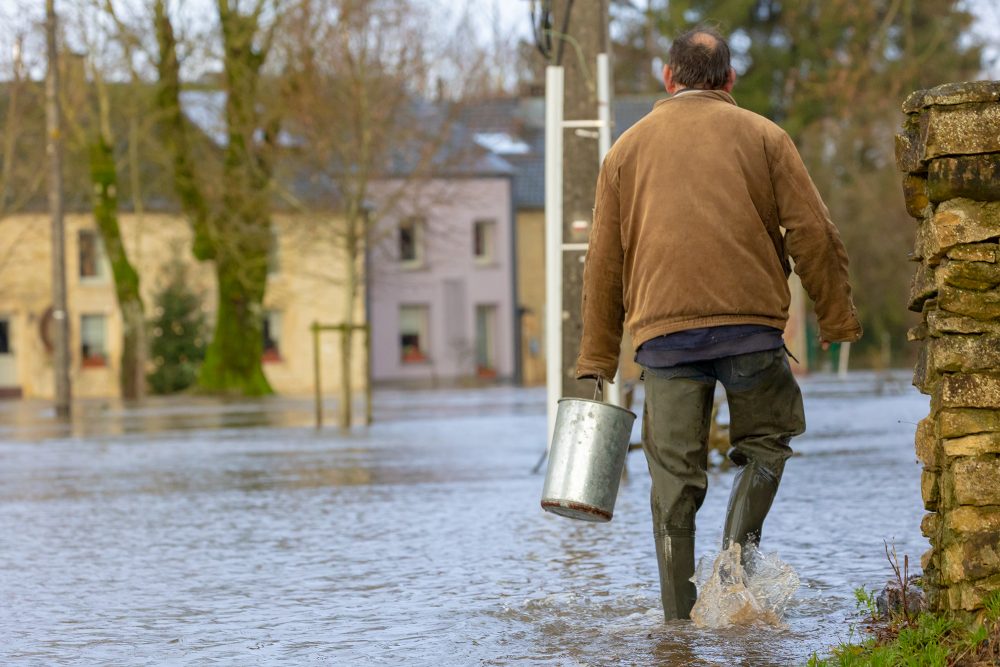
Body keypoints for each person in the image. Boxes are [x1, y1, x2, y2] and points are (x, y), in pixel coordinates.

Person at [576, 26, 862, 622]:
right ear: (730, 80)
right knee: (765, 448)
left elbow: (603, 265)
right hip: (752, 331)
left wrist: (596, 361)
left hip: (663, 340)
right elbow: (813, 232)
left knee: (672, 486)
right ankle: (732, 574)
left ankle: (678, 628)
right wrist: (836, 318)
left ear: (667, 78)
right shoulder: (765, 136)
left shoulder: (623, 152)